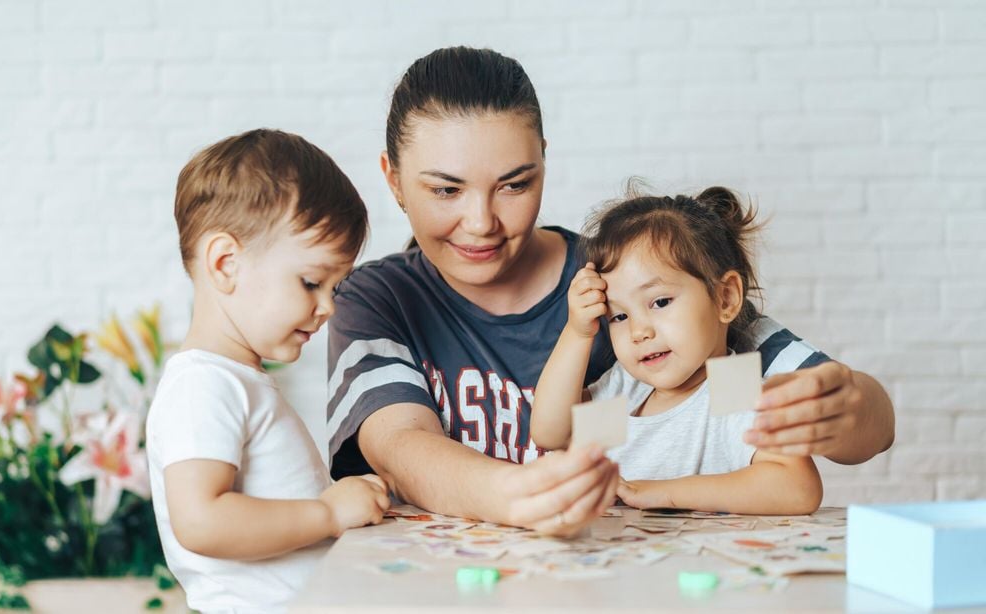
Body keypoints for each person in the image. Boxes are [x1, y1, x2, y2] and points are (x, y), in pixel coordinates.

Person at [326, 46, 894, 536]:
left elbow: (844, 421)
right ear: (395, 180)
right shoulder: (379, 299)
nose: (481, 222)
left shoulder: (623, 276)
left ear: (545, 163)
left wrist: (848, 409)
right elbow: (401, 449)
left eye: (515, 185)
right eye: (446, 190)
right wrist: (525, 492)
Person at [146, 129, 390, 613]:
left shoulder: (238, 382)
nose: (327, 308)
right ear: (225, 264)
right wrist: (327, 511)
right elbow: (201, 521)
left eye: (334, 288)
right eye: (311, 282)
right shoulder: (202, 386)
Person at [530, 185, 823, 514]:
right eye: (619, 316)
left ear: (725, 298)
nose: (639, 331)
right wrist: (578, 332)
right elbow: (551, 432)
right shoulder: (629, 395)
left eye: (660, 302)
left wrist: (664, 493)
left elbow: (798, 488)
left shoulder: (730, 386)